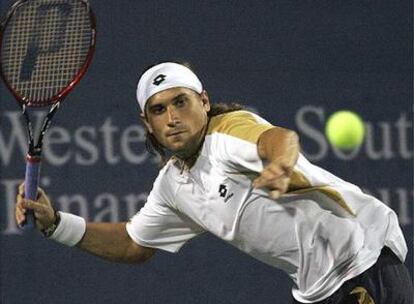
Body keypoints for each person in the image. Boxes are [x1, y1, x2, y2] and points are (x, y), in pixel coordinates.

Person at [15, 62, 412, 303]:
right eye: (159, 109)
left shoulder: (227, 133)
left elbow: (276, 138)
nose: (172, 116)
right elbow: (135, 243)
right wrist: (54, 224)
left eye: (181, 102)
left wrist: (279, 164)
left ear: (204, 101)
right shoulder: (173, 185)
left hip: (364, 262)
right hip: (318, 290)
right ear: (147, 123)